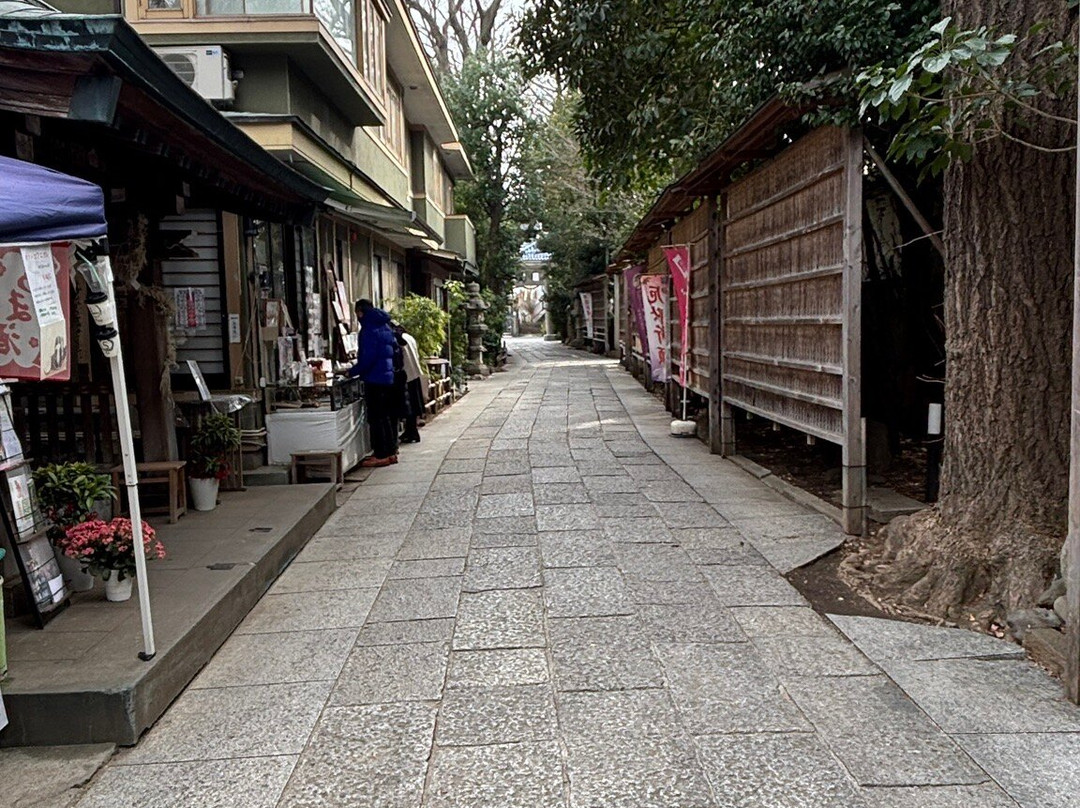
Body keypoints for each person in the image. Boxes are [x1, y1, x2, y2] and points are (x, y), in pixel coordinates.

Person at [348, 299, 398, 467]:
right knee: (386, 416)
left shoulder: (368, 330)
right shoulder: (385, 325)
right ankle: (391, 451)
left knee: (376, 417)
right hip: (387, 376)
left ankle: (381, 454)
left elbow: (367, 359)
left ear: (360, 312)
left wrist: (351, 371)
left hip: (374, 378)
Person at [394, 324, 426, 443]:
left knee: (408, 406)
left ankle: (411, 431)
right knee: (414, 404)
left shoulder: (398, 339)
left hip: (405, 375)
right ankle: (411, 431)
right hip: (415, 372)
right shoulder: (409, 337)